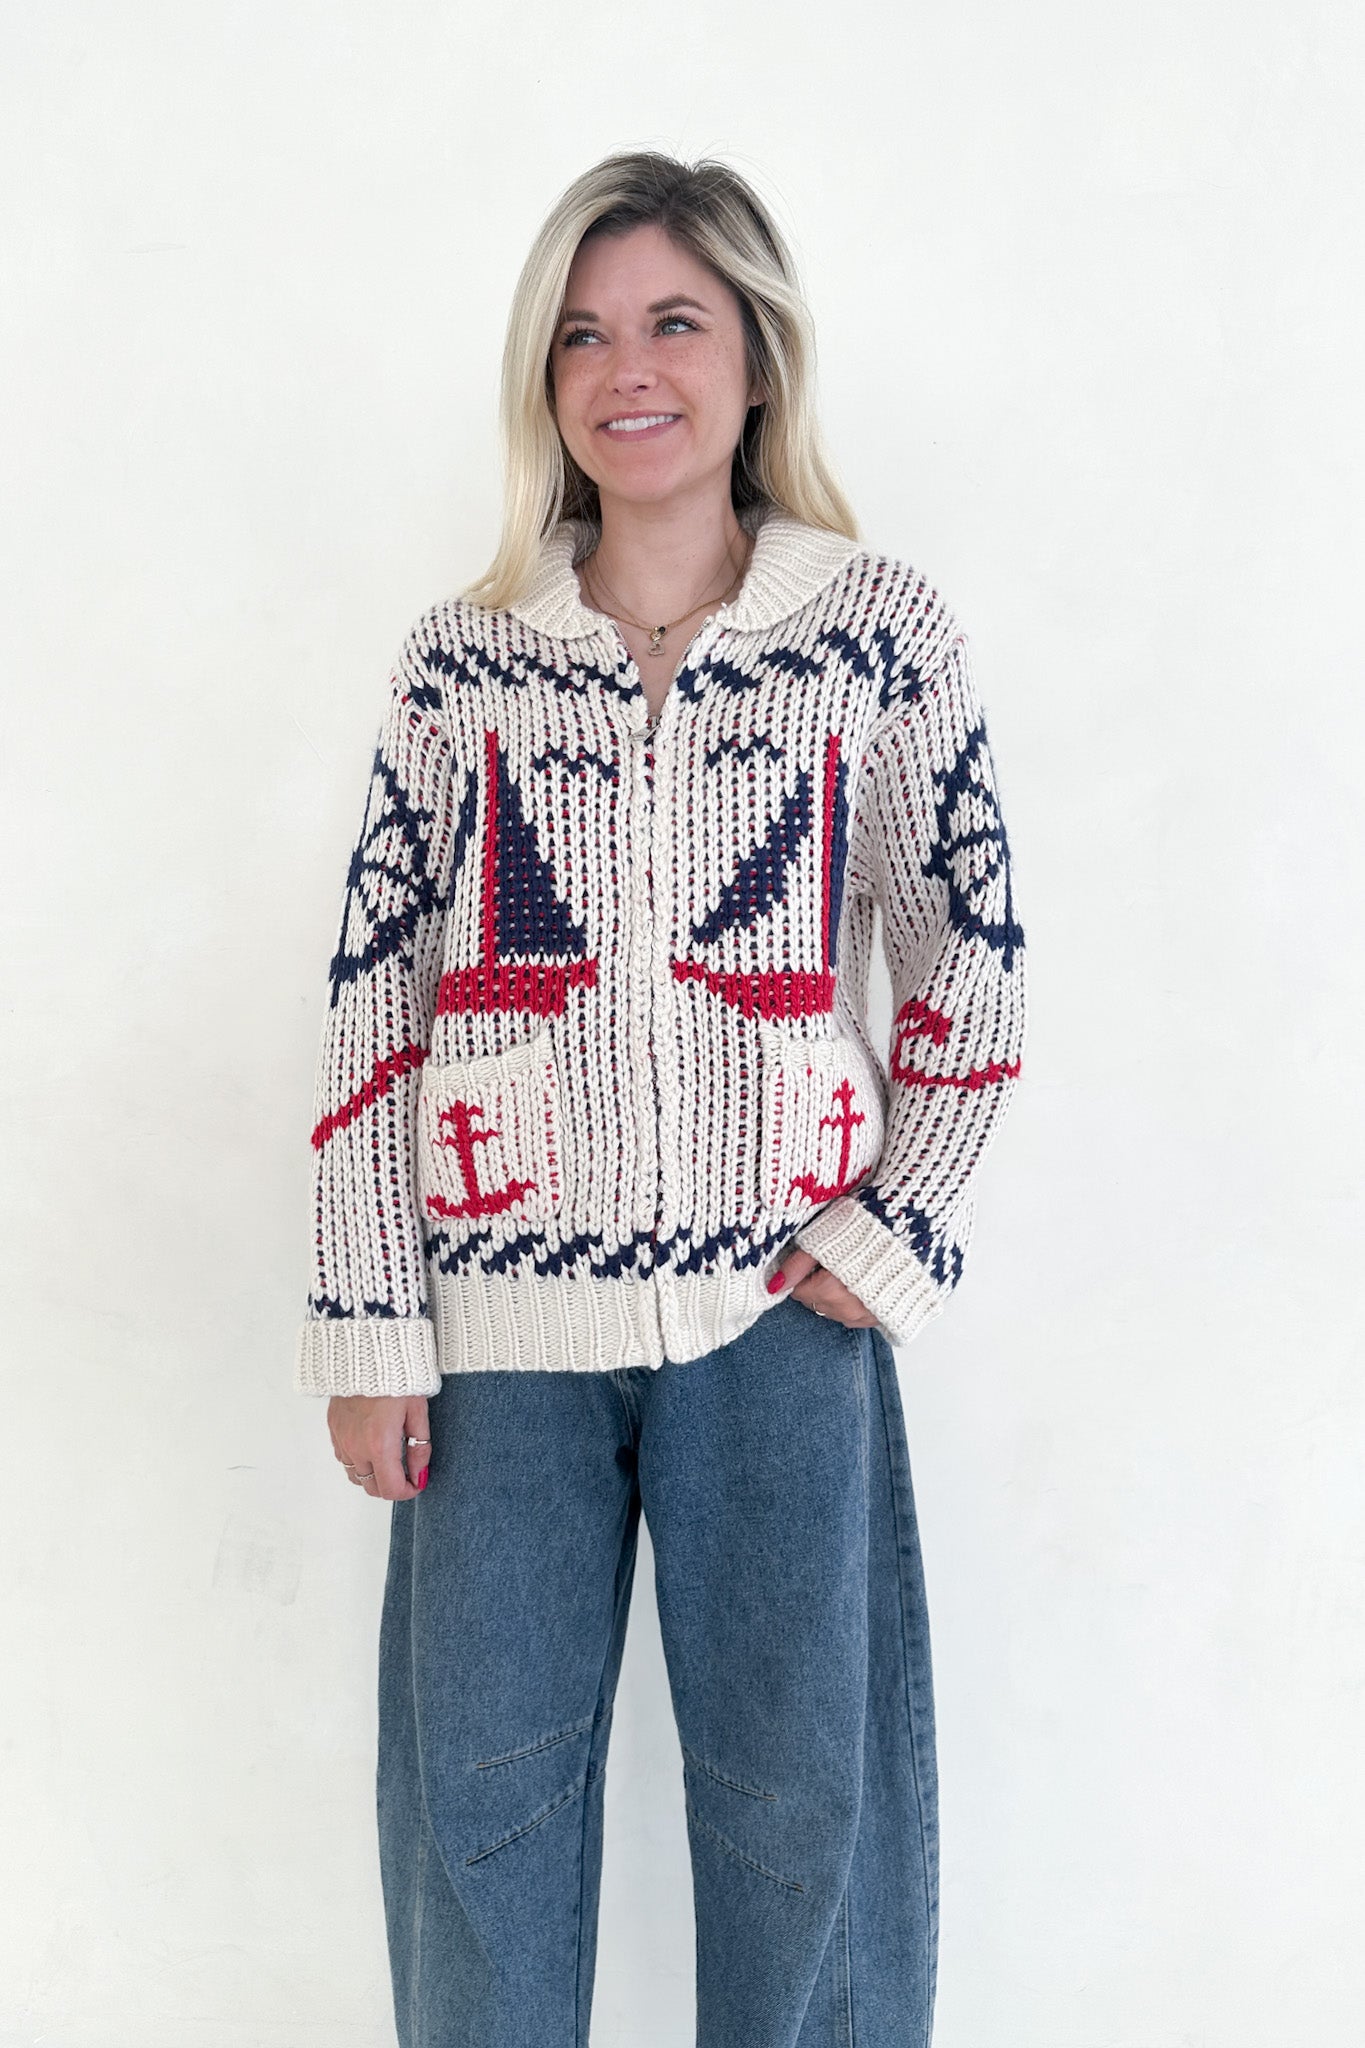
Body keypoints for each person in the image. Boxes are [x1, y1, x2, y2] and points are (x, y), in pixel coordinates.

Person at [294, 149, 1027, 2048]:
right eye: (585, 333)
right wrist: (368, 1316)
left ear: (757, 359)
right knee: (480, 1816)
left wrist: (891, 1230)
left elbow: (974, 949)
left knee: (811, 1824)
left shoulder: (877, 631)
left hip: (779, 1318)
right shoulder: (461, 663)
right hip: (494, 1338)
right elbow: (378, 995)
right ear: (545, 382)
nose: (630, 369)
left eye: (675, 323)